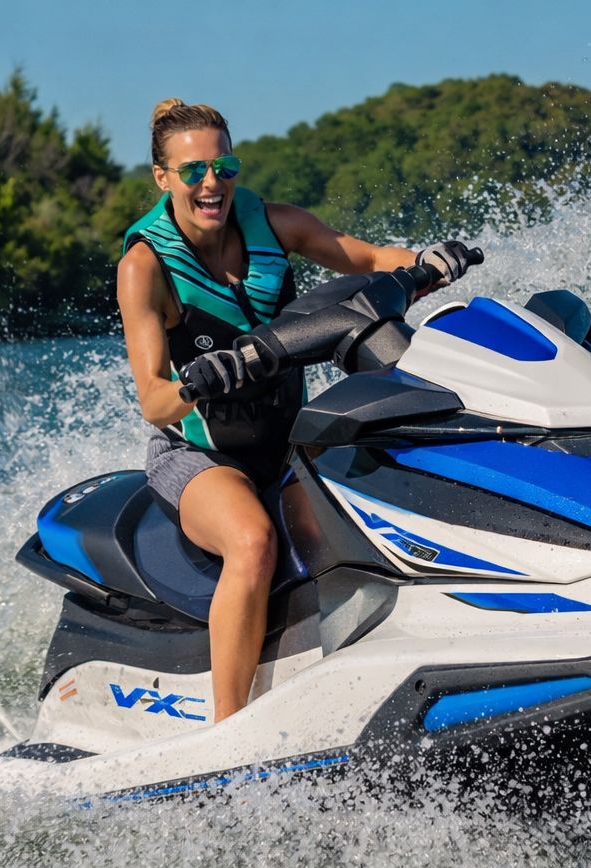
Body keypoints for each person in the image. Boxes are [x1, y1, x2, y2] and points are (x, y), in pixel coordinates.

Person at [117, 98, 475, 723]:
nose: (212, 184)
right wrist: (204, 381)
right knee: (252, 542)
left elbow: (364, 258)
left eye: (224, 167)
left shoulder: (273, 224)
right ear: (162, 177)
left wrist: (424, 265)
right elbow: (152, 398)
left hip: (289, 441)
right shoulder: (145, 267)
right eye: (194, 170)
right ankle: (228, 729)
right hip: (201, 454)